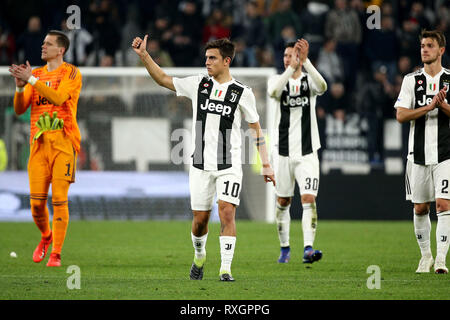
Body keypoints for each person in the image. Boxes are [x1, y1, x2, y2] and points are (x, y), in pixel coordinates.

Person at [132, 35, 275, 281]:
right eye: (206, 57)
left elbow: (256, 131)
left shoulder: (242, 93)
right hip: (199, 165)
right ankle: (199, 256)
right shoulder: (199, 84)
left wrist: (266, 164)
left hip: (229, 165)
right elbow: (163, 79)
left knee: (227, 212)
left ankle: (225, 269)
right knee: (200, 221)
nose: (207, 62)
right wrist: (145, 56)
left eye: (212, 58)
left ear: (226, 61)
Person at [9, 30, 82, 267]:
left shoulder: (71, 72)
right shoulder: (36, 74)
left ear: (60, 50)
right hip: (38, 145)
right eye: (43, 43)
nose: (43, 46)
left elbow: (60, 98)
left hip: (63, 141)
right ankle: (46, 236)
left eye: (48, 44)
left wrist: (31, 80)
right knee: (36, 204)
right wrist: (20, 87)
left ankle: (56, 253)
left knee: (60, 198)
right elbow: (20, 109)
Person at [395, 29, 450, 274]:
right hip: (416, 156)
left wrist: (443, 105)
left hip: (446, 154)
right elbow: (401, 115)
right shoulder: (411, 80)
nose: (424, 49)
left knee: (443, 204)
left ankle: (440, 260)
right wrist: (429, 106)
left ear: (441, 50)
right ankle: (425, 256)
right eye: (422, 46)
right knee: (420, 208)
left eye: (429, 45)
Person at [268, 39, 327, 264]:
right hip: (281, 152)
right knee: (283, 201)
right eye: (285, 55)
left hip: (307, 152)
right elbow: (273, 92)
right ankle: (284, 248)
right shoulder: (277, 80)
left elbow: (323, 87)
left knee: (308, 198)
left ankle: (308, 249)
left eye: (291, 55)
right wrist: (292, 67)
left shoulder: (308, 82)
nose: (287, 58)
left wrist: (306, 62)